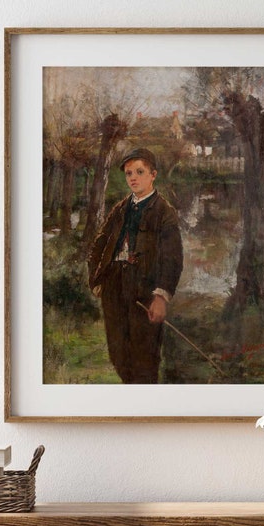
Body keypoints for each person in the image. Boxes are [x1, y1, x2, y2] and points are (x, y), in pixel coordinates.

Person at [88, 148, 183, 383]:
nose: (133, 178)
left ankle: (144, 397)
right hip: (114, 286)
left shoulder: (164, 212)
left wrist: (160, 297)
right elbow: (99, 244)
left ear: (153, 175)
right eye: (129, 173)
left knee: (144, 354)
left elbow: (172, 258)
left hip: (144, 291)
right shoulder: (120, 209)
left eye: (139, 172)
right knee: (118, 351)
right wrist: (97, 279)